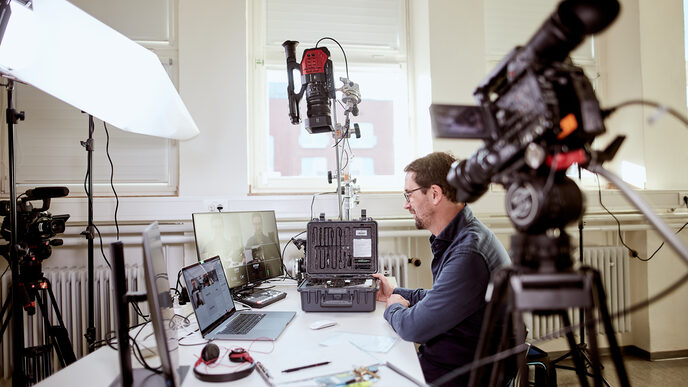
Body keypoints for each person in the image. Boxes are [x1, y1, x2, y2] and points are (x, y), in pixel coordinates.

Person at [372, 152, 512, 386]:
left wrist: (393, 306)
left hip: (463, 375)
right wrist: (396, 292)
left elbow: (413, 327)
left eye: (409, 194)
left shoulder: (468, 253)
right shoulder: (462, 237)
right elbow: (441, 298)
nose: (406, 204)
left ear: (435, 194)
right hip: (455, 362)